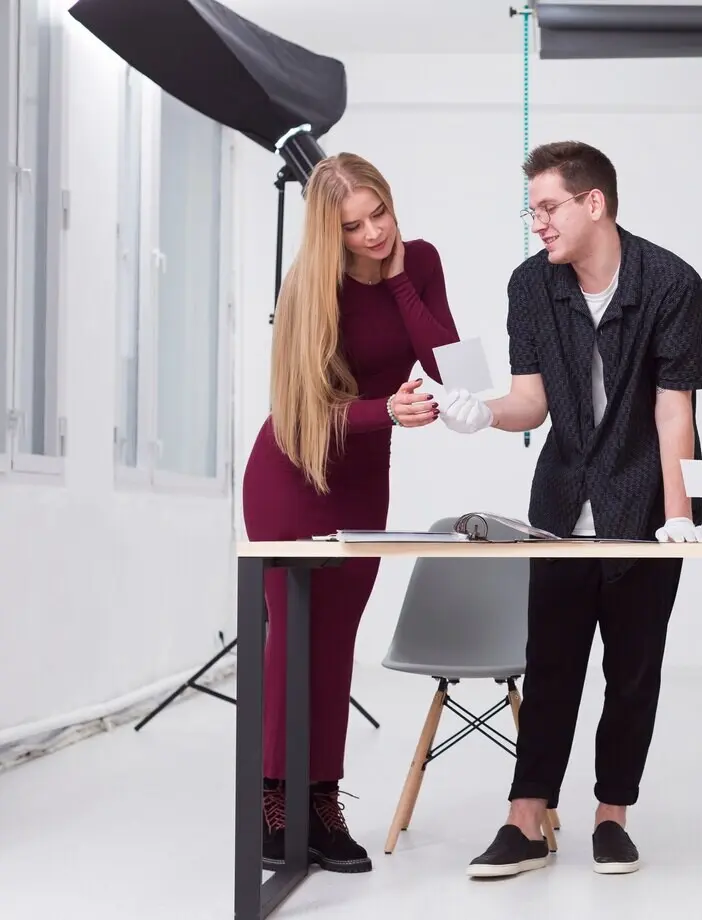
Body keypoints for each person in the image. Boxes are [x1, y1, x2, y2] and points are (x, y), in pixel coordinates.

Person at [437, 140, 702, 878]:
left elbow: (672, 410)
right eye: (533, 210)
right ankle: (525, 820)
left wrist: (678, 513)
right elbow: (529, 402)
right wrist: (477, 414)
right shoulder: (531, 286)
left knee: (632, 669)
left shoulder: (672, 283)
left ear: (594, 203)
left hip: (650, 499)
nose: (539, 223)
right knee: (552, 661)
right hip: (561, 501)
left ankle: (612, 816)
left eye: (548, 207)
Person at [242, 152, 459, 874]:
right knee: (291, 641)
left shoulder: (419, 261)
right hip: (293, 474)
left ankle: (322, 800)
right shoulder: (309, 287)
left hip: (364, 481)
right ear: (327, 232)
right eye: (352, 227)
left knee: (335, 643)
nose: (371, 234)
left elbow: (453, 364)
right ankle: (276, 805)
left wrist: (398, 279)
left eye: (379, 215)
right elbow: (296, 415)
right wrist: (386, 411)